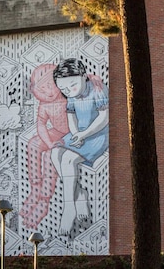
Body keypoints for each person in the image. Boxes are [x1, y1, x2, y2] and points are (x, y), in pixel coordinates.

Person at [50, 58, 109, 236]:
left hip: (97, 135)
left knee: (68, 159)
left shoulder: (98, 89)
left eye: (72, 86)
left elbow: (103, 118)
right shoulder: (72, 97)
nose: (68, 92)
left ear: (83, 77)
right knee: (55, 152)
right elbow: (71, 116)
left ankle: (69, 207)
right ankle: (79, 194)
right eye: (63, 90)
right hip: (80, 134)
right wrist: (76, 133)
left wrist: (84, 135)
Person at [20, 63, 70, 229]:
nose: (48, 92)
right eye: (42, 89)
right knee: (33, 144)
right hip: (57, 132)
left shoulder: (69, 96)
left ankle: (44, 201)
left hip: (73, 135)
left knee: (50, 155)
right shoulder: (44, 105)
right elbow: (41, 125)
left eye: (51, 86)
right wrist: (48, 142)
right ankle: (34, 190)